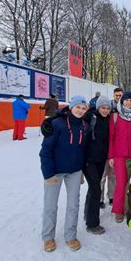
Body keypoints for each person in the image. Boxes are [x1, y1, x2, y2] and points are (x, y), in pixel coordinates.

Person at [39, 96, 89, 252]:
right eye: (78, 107)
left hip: (74, 171)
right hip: (55, 171)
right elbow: (45, 151)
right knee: (50, 205)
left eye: (83, 108)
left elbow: (83, 150)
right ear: (71, 107)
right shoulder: (57, 124)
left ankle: (70, 235)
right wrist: (48, 174)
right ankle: (48, 237)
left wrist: (81, 170)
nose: (80, 111)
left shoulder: (84, 126)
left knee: (73, 204)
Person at [108, 91, 131, 223]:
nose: (128, 102)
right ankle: (118, 210)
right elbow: (111, 138)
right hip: (119, 156)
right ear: (122, 101)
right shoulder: (115, 116)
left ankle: (129, 208)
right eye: (126, 100)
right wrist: (111, 156)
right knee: (121, 184)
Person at [83, 96, 111, 235]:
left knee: (93, 188)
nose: (105, 110)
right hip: (89, 160)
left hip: (101, 160)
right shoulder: (90, 117)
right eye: (103, 108)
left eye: (107, 108)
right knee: (95, 189)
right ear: (98, 107)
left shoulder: (108, 119)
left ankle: (87, 213)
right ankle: (92, 223)